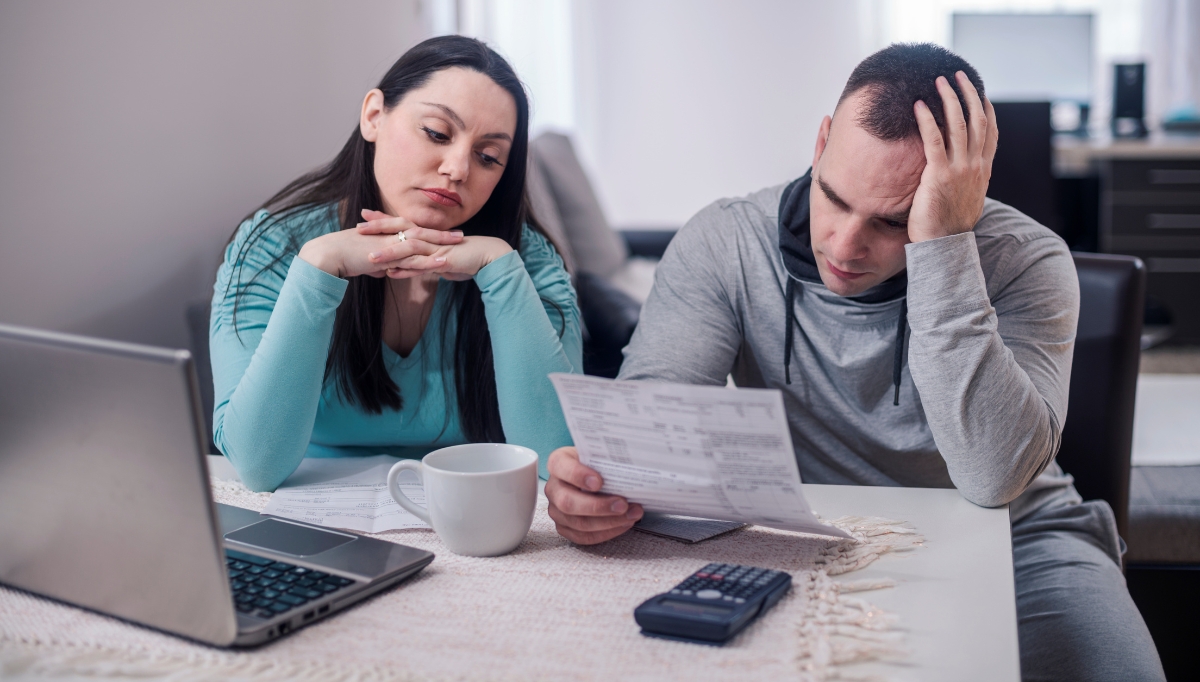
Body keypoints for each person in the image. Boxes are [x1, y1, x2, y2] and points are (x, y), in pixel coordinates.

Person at [544, 44, 1164, 681]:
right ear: (821, 144)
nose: (842, 245)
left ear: (963, 195)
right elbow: (646, 443)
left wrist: (943, 246)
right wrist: (600, 488)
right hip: (806, 536)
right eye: (833, 197)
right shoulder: (724, 241)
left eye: (893, 222)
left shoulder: (1028, 261)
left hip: (1019, 538)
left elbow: (993, 477)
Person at [210, 36, 579, 492]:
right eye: (437, 133)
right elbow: (256, 465)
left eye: (488, 157)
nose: (458, 168)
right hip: (310, 519)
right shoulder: (274, 246)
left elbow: (557, 463)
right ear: (373, 117)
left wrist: (499, 269)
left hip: (471, 520)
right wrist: (318, 268)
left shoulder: (529, 260)